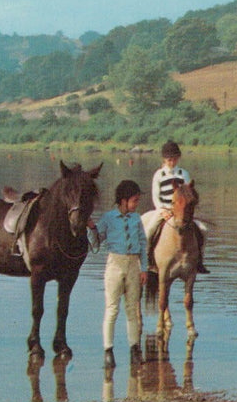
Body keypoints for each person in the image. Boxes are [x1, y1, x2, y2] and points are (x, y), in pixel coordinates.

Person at [87, 180, 149, 369]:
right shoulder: (108, 218)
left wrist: (144, 268)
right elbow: (96, 244)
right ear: (123, 200)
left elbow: (143, 245)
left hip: (133, 265)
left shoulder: (136, 219)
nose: (136, 204)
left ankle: (134, 349)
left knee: (132, 310)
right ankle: (108, 351)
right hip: (115, 264)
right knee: (112, 309)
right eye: (134, 200)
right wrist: (91, 229)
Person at [141, 140, 209, 273]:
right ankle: (149, 259)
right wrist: (162, 210)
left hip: (182, 211)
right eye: (169, 159)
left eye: (174, 159)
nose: (172, 162)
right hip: (164, 209)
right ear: (164, 159)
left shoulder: (183, 174)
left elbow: (189, 194)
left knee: (203, 229)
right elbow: (156, 196)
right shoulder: (159, 175)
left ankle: (200, 260)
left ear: (178, 158)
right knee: (149, 231)